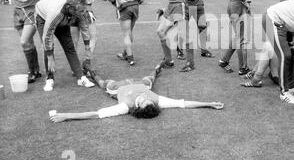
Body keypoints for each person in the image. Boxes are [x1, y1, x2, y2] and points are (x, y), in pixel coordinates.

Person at [49, 63, 224, 122]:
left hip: (119, 87)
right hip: (140, 83)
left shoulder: (125, 107)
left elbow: (96, 114)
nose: (143, 98)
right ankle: (158, 68)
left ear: (137, 107)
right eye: (148, 100)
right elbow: (183, 103)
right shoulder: (156, 100)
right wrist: (209, 104)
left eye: (142, 102)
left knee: (106, 84)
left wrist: (67, 115)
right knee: (149, 80)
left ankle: (91, 73)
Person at [2, 0, 50, 83]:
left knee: (24, 41)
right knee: (28, 43)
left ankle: (32, 71)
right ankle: (35, 71)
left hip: (32, 10)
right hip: (18, 12)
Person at [35, 0, 95, 92]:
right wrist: (50, 57)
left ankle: (81, 77)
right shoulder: (55, 14)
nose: (82, 13)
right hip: (43, 16)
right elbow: (47, 37)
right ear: (70, 9)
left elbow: (84, 27)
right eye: (80, 11)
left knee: (69, 47)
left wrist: (87, 47)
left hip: (63, 19)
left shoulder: (79, 10)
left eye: (83, 10)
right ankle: (49, 78)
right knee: (49, 48)